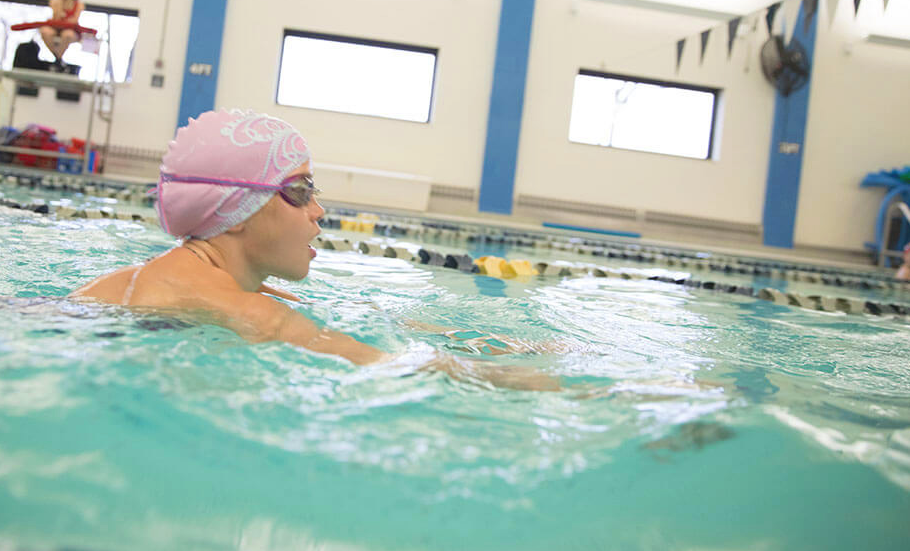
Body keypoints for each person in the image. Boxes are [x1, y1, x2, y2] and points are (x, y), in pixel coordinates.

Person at [71, 108, 561, 391]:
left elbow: (342, 313)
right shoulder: (250, 311)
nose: (319, 211)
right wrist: (593, 393)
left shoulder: (154, 279)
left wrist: (508, 344)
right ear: (240, 210)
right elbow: (393, 366)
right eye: (301, 191)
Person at [39, 0, 84, 64]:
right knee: (45, 31)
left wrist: (65, 20)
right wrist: (59, 4)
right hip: (56, 28)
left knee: (67, 34)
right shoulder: (55, 2)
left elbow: (74, 21)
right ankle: (56, 57)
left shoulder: (78, 4)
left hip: (70, 30)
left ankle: (58, 58)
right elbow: (56, 18)